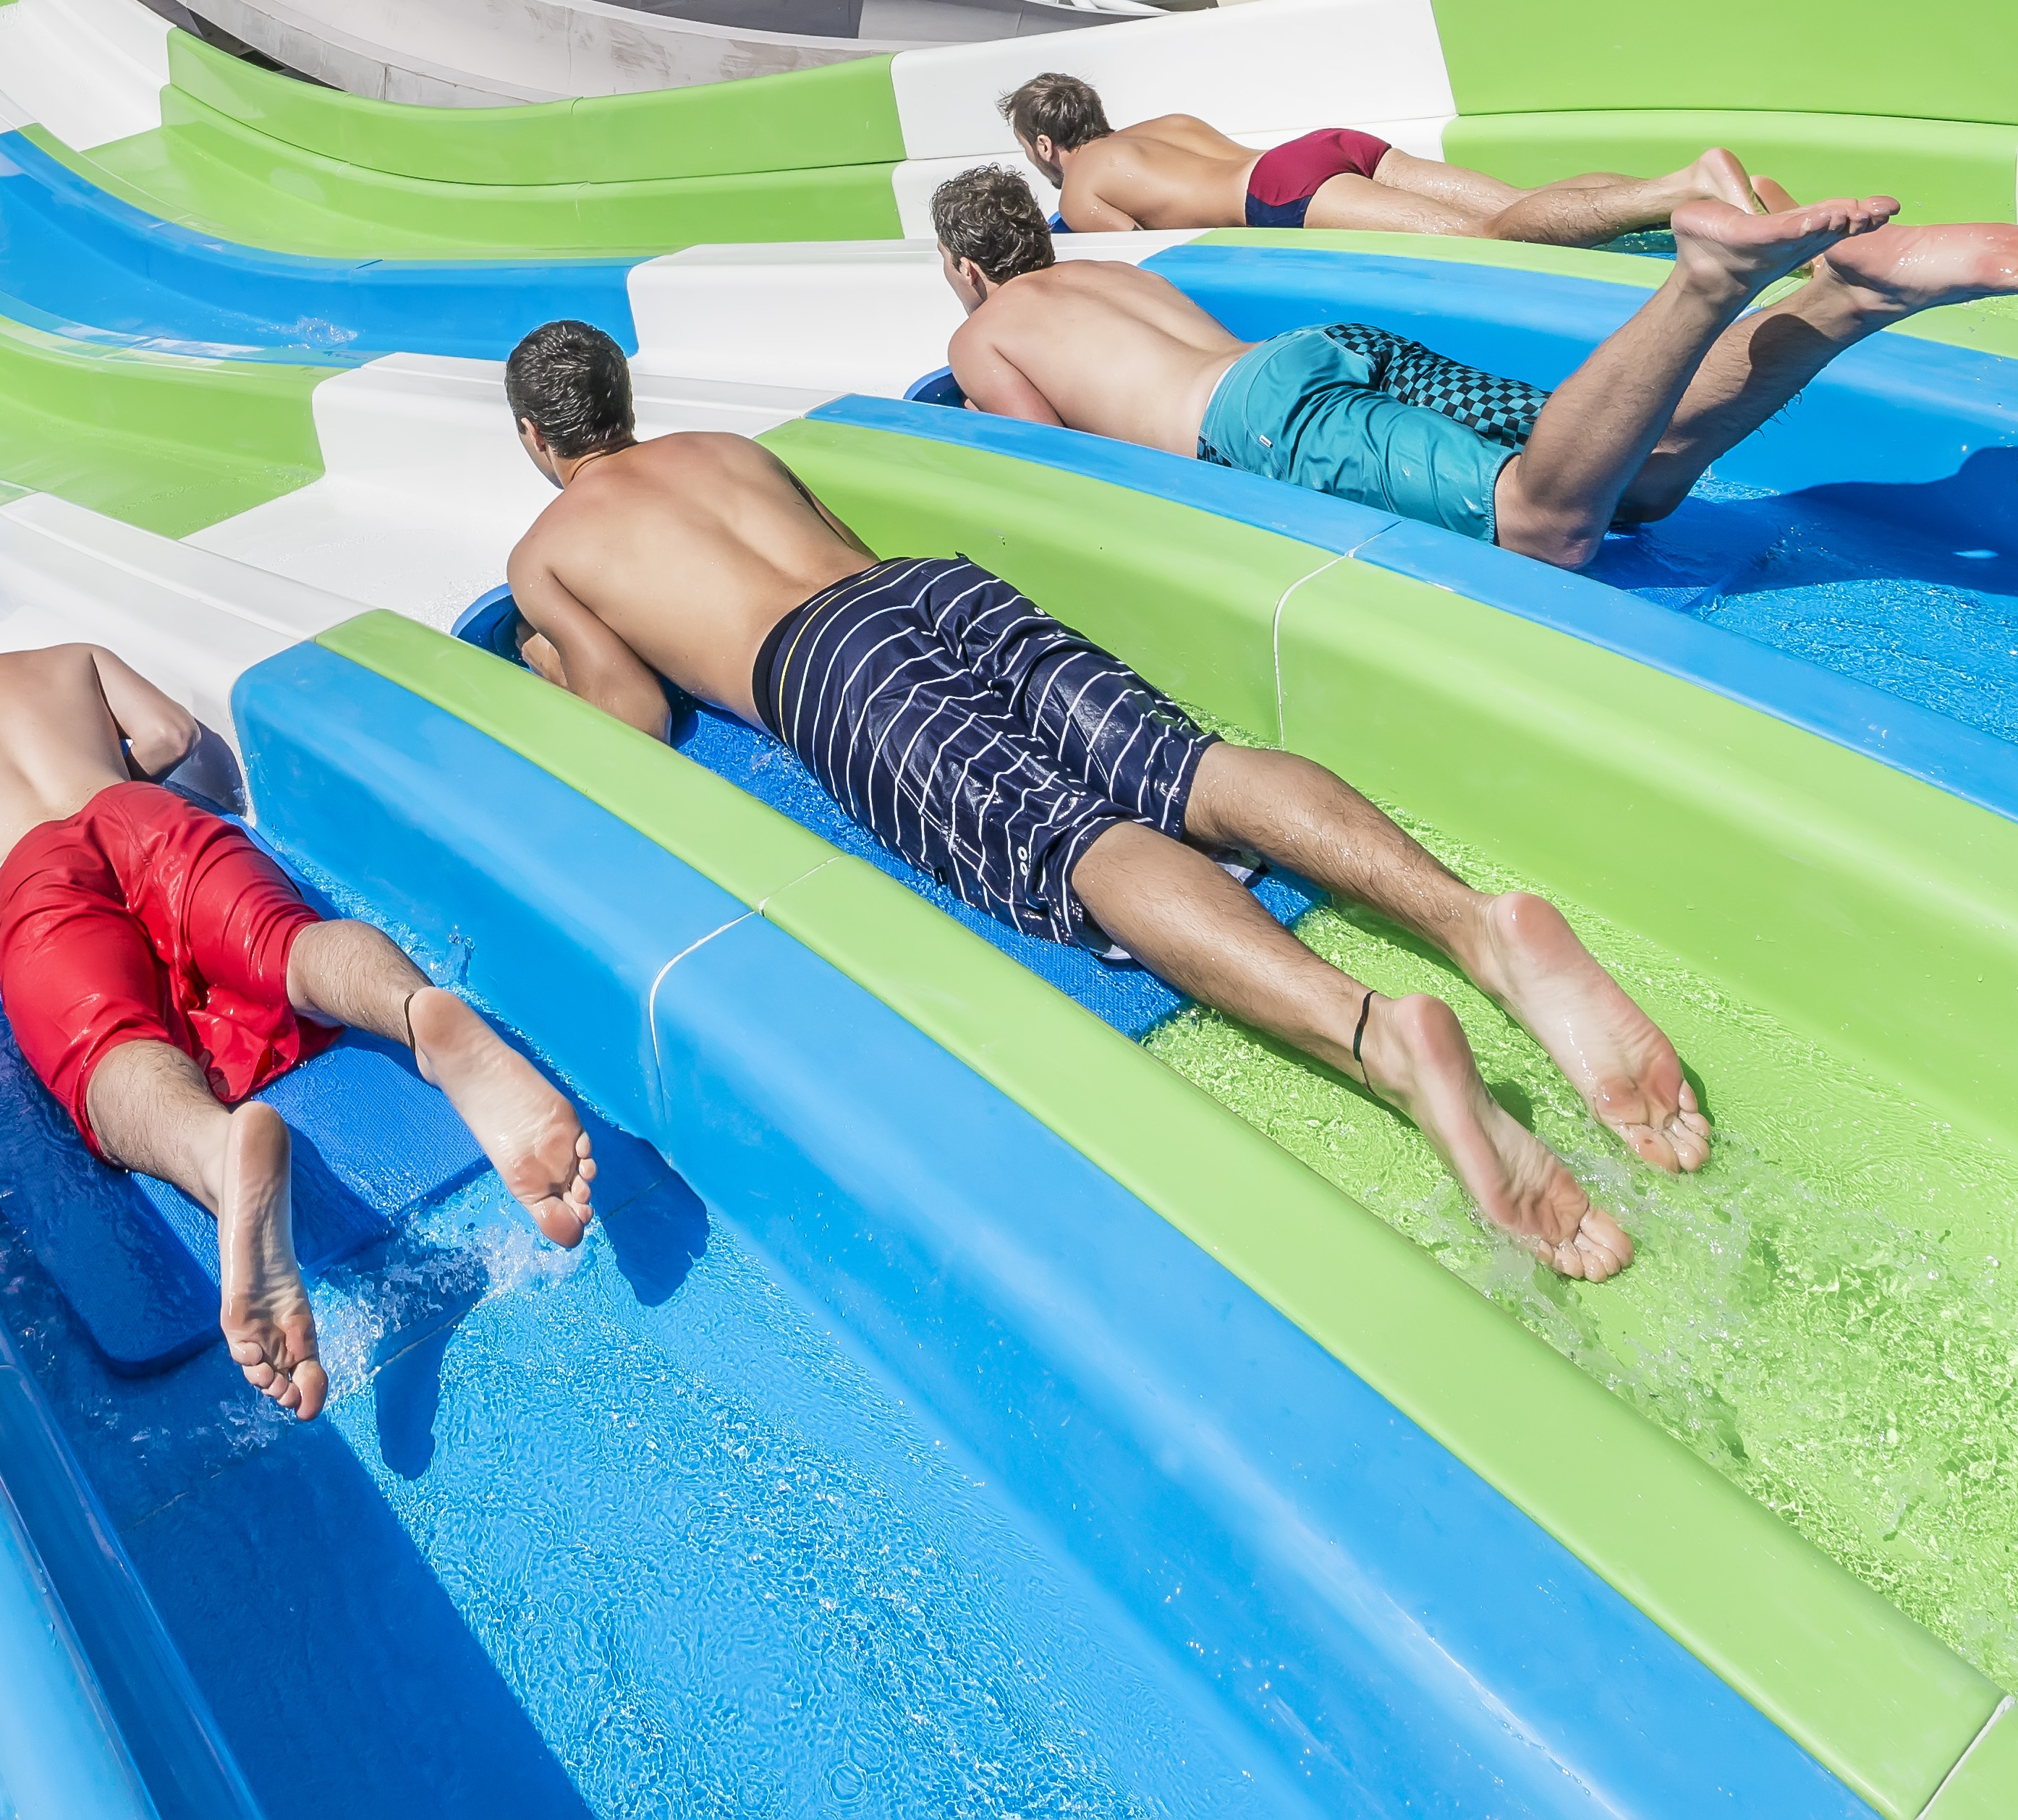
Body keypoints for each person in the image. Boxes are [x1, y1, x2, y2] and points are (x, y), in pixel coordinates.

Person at [494, 320, 1713, 1277]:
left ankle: (1375, 1035)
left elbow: (631, 717)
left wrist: (555, 656)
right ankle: (1470, 924)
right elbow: (847, 556)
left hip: (828, 671)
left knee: (1075, 844)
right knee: (1186, 764)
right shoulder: (731, 451)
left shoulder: (549, 544)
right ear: (625, 403)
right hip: (930, 593)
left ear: (541, 443)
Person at [0, 532, 595, 1413]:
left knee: (108, 1052)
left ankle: (215, 1152)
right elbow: (169, 734)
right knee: (283, 939)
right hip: (142, 814)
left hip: (23, 882)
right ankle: (417, 1012)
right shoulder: (70, 658)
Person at [927, 161, 2018, 566]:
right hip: (1322, 352)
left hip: (1268, 419)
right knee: (1635, 479)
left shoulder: (983, 334)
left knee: (1544, 523)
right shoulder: (1121, 274)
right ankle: (1844, 301)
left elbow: (1051, 464)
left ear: (965, 269)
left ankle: (1709, 278)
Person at [993, 71, 1707, 246]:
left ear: (1046, 145)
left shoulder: (1080, 190)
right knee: (1517, 201)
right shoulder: (1166, 123)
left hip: (1282, 189)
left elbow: (1146, 263)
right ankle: (1691, 190)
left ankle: (1674, 195)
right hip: (1324, 148)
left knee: (1489, 240)